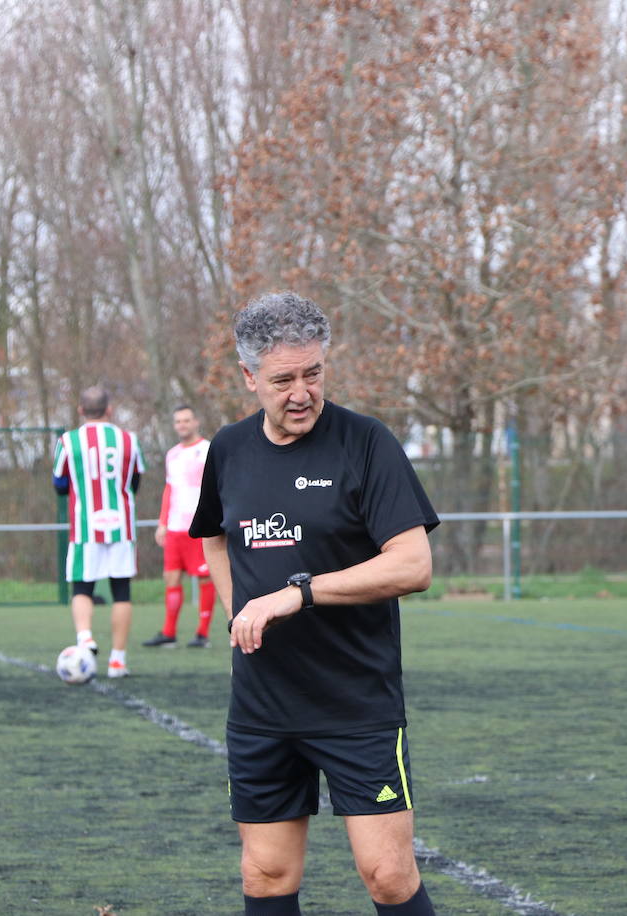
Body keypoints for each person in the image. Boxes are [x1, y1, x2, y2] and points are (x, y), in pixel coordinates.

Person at [189, 291, 440, 916]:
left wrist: (296, 595)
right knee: (267, 873)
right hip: (264, 704)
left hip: (356, 701)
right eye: (282, 380)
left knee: (386, 873)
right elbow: (215, 537)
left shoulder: (365, 443)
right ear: (249, 378)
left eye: (313, 373)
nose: (301, 392)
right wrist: (237, 610)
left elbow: (413, 565)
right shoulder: (229, 450)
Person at [52, 387, 146, 679]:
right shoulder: (128, 440)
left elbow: (58, 484)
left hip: (85, 525)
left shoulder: (68, 441)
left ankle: (85, 638)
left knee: (82, 587)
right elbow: (135, 480)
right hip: (121, 523)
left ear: (80, 410)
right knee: (121, 592)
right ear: (110, 410)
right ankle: (118, 660)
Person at [142, 405, 217, 649]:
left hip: (199, 527)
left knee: (206, 577)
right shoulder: (172, 454)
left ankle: (202, 634)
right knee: (171, 578)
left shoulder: (207, 450)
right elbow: (170, 489)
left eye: (186, 420)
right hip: (174, 528)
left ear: (196, 422)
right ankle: (169, 632)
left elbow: (216, 488)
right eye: (178, 421)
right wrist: (162, 522)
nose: (182, 425)